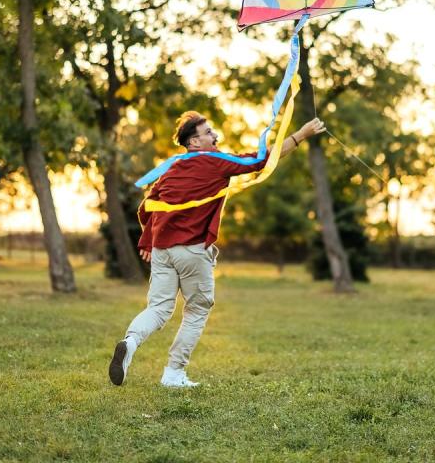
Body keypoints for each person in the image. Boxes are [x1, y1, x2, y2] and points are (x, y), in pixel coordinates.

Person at [110, 110, 325, 388]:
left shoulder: (172, 168)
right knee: (198, 309)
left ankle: (130, 342)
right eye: (208, 132)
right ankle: (173, 373)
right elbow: (263, 159)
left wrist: (148, 241)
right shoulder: (215, 161)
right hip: (192, 251)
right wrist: (301, 135)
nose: (214, 135)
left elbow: (147, 205)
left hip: (163, 250)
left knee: (159, 308)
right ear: (194, 143)